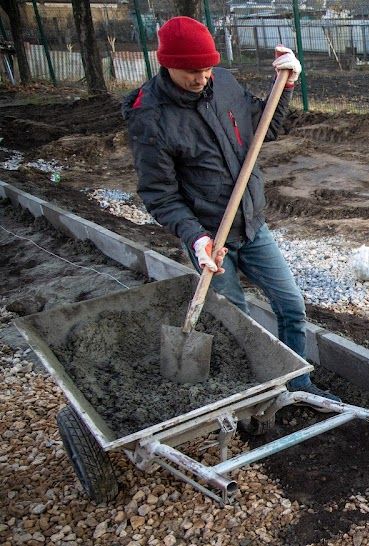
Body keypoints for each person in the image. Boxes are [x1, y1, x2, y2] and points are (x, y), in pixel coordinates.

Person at [122, 17, 335, 399]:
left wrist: (284, 87)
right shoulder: (150, 118)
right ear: (166, 63)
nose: (202, 78)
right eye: (191, 71)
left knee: (291, 305)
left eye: (206, 68)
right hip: (210, 240)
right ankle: (255, 393)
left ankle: (298, 384)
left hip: (251, 225)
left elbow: (264, 128)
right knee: (238, 320)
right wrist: (196, 238)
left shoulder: (225, 84)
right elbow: (160, 195)